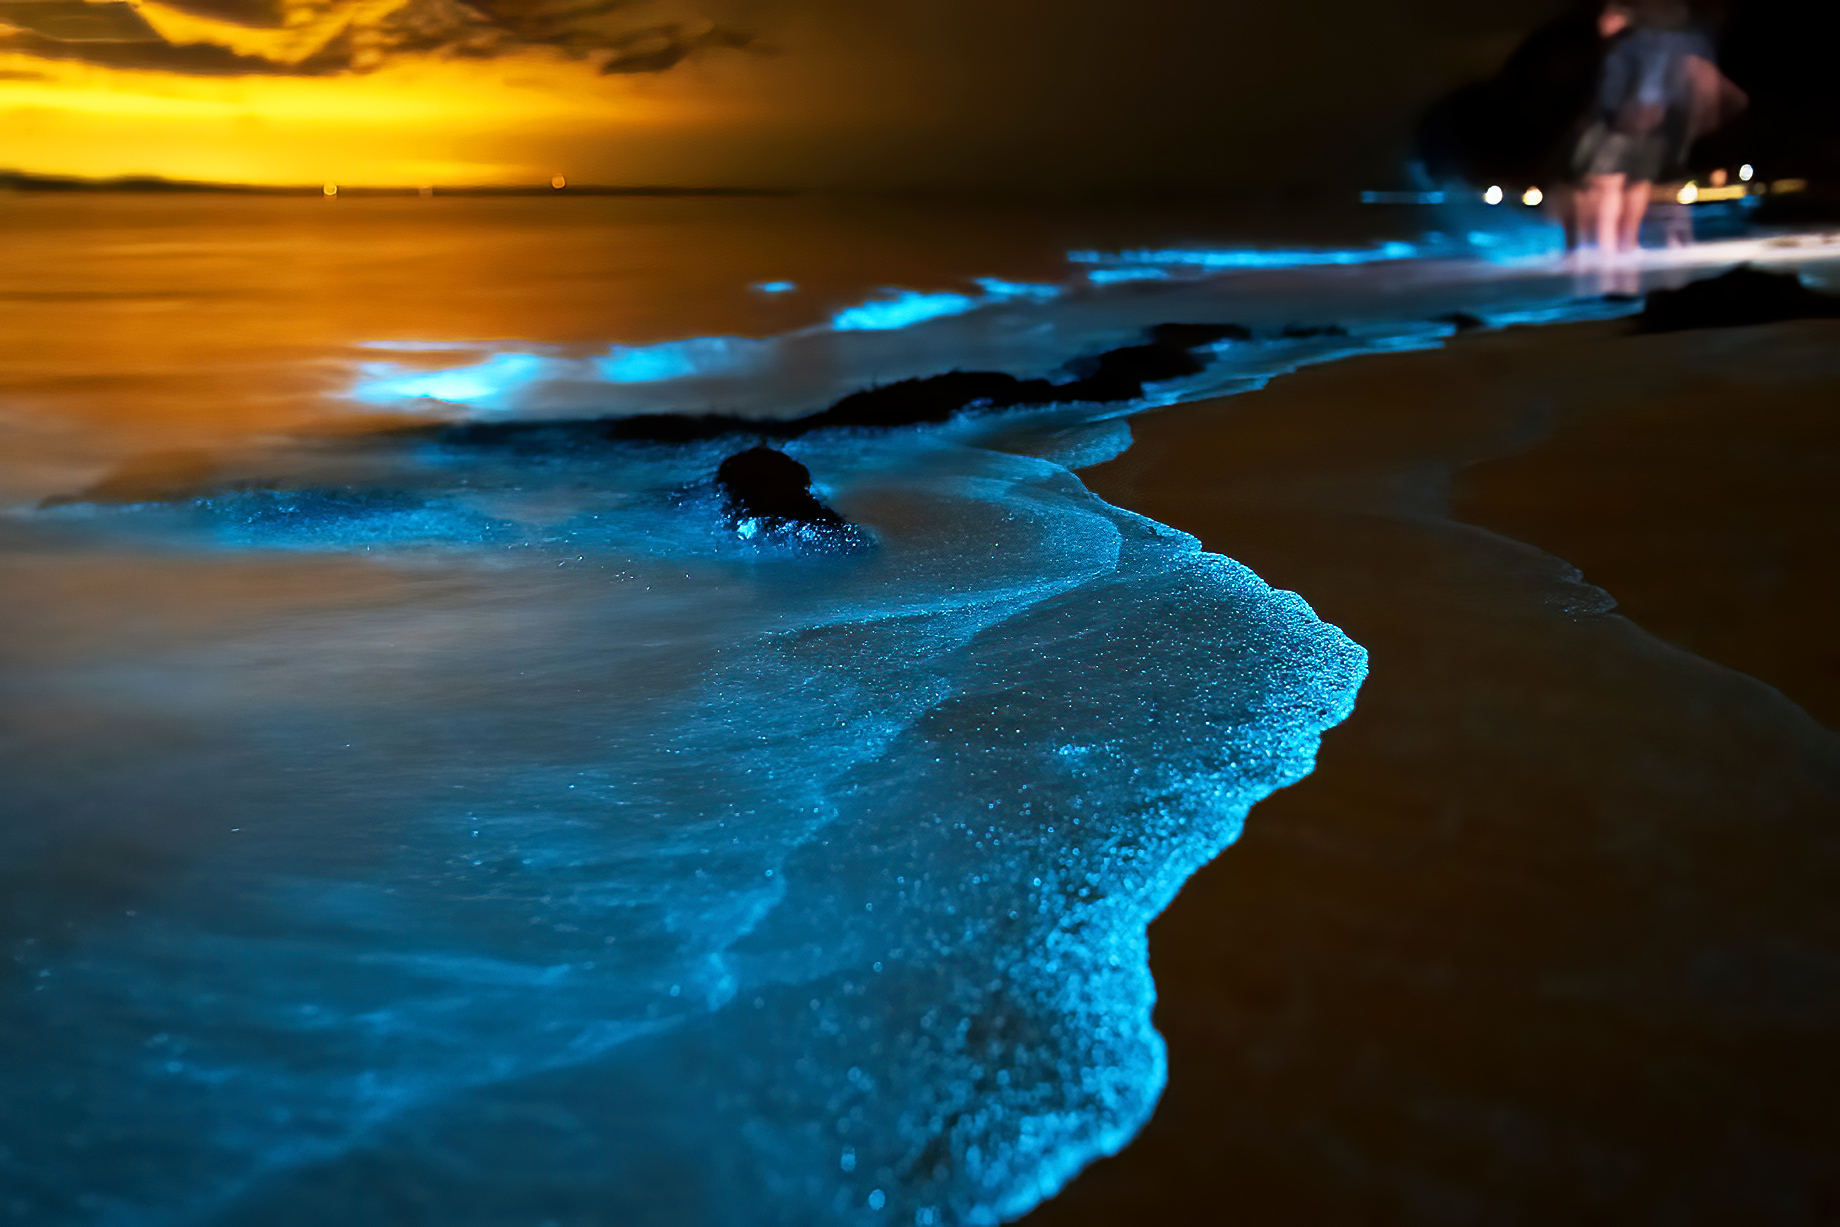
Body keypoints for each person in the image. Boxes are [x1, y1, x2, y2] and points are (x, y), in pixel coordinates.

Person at [1571, 0, 1717, 257]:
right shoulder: (1664, 42)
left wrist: (1617, 113)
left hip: (1626, 120)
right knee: (1637, 182)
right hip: (1656, 119)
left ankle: (1607, 246)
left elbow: (1615, 86)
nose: (1602, 23)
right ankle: (1627, 243)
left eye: (1608, 16)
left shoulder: (1626, 44)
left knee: (1609, 183)